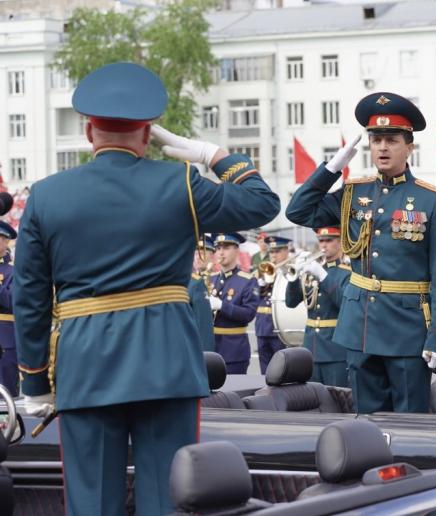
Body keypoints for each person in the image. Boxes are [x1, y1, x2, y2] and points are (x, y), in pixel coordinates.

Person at [13, 62, 279, 515]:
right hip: (166, 363)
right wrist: (209, 154)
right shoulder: (179, 184)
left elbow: (31, 296)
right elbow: (263, 203)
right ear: (148, 133)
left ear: (88, 131)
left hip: (85, 366)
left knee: (93, 503)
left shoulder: (46, 194)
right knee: (168, 500)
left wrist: (34, 380)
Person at [285, 91, 436, 414]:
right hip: (360, 326)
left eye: (391, 140)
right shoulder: (353, 193)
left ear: (409, 147)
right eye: (376, 139)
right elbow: (298, 212)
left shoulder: (431, 200)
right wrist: (331, 169)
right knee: (366, 420)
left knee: (410, 422)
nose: (382, 147)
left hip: (407, 331)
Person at [285, 227, 351, 387]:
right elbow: (291, 302)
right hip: (310, 348)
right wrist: (294, 278)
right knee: (313, 400)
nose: (324, 245)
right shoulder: (311, 271)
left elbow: (345, 304)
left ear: (341, 243)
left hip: (335, 350)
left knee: (337, 399)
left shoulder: (348, 273)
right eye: (321, 241)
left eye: (329, 240)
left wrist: (322, 275)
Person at [210, 232, 260, 374]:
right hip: (211, 348)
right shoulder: (210, 279)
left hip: (234, 351)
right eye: (218, 248)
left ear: (237, 250)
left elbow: (248, 314)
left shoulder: (248, 281)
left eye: (226, 247)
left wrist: (222, 306)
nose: (221, 252)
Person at [254, 235, 291, 374]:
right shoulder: (265, 270)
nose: (273, 256)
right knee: (264, 371)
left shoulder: (291, 271)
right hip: (262, 325)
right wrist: (260, 284)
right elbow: (253, 297)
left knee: (281, 369)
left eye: (278, 251)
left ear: (286, 251)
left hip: (280, 327)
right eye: (271, 252)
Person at [189, 235, 216, 352]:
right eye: (195, 253)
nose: (198, 257)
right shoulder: (192, 281)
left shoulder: (216, 279)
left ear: (212, 256)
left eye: (202, 252)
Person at [0, 221, 17, 396]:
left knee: (4, 398)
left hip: (4, 341)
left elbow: (12, 301)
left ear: (6, 242)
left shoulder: (14, 272)